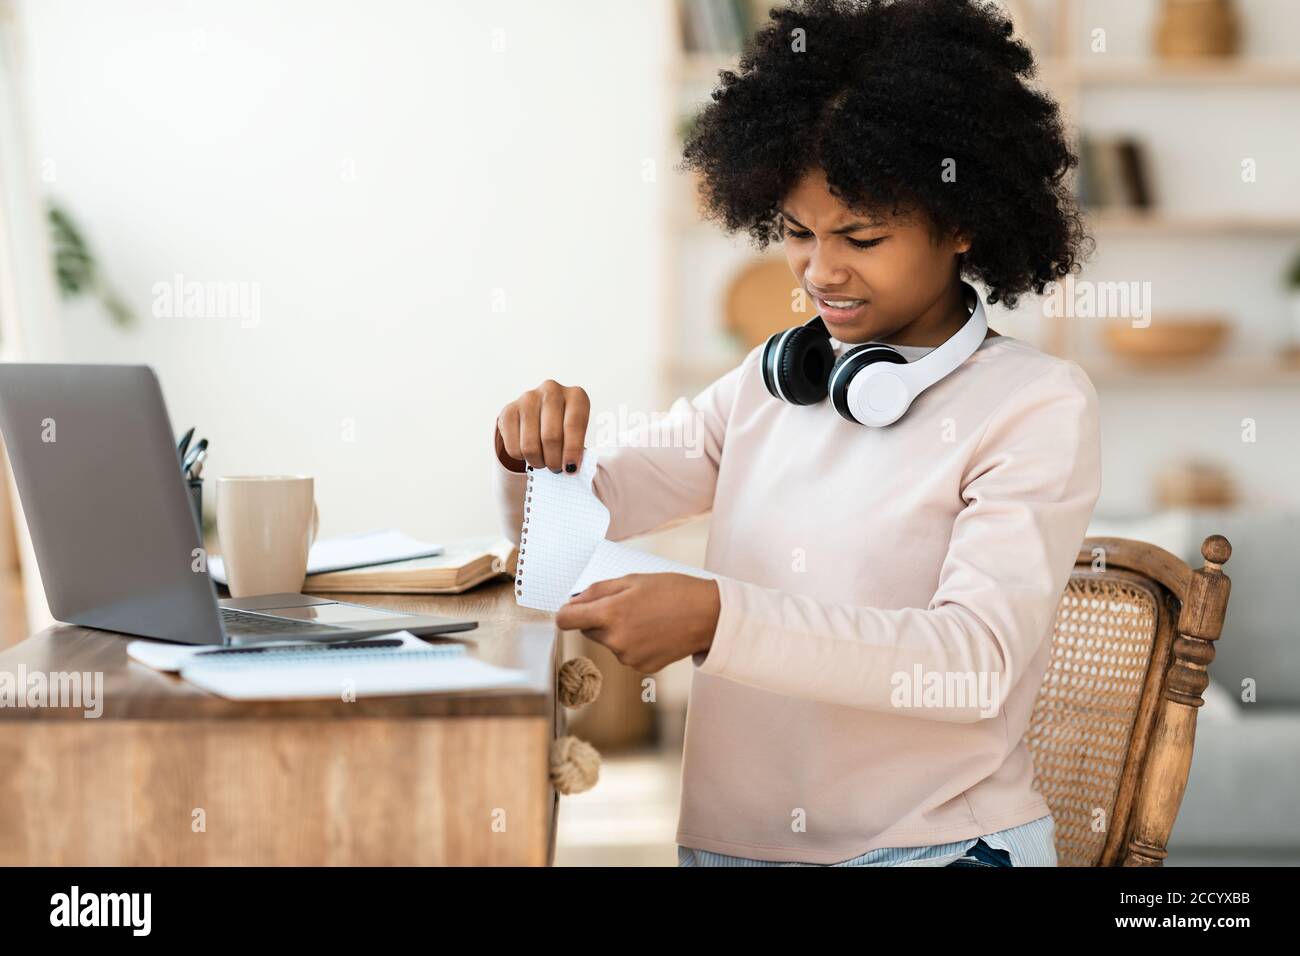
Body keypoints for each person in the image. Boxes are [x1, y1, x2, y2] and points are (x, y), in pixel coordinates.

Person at [492, 0, 1099, 867]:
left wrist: (716, 617)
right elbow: (580, 518)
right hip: (730, 849)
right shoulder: (770, 382)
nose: (821, 271)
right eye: (796, 233)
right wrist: (532, 460)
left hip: (933, 851)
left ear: (963, 223)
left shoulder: (1036, 404)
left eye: (862, 235)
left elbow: (971, 661)